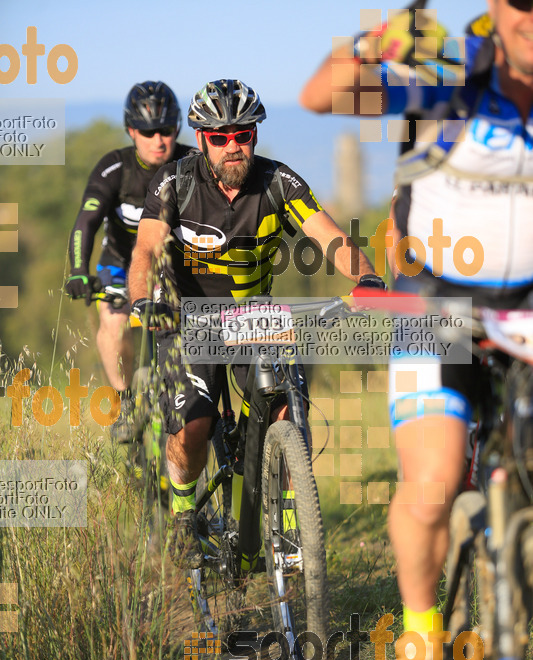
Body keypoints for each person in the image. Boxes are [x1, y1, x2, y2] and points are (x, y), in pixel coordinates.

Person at [301, 1, 533, 660]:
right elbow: (322, 93)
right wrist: (376, 39)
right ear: (497, 8)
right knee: (431, 479)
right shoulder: (449, 72)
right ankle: (420, 642)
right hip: (436, 309)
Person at [128, 78, 381, 567]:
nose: (232, 146)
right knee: (194, 425)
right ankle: (184, 515)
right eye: (219, 137)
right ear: (202, 139)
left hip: (254, 319)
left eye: (241, 134)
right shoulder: (175, 183)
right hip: (187, 322)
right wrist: (144, 299)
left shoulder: (277, 181)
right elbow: (146, 250)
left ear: (255, 136)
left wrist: (366, 277)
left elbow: (329, 237)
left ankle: (286, 532)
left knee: (289, 414)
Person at [66, 81, 193, 441]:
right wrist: (79, 271)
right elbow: (86, 221)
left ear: (177, 128)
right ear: (131, 131)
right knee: (114, 323)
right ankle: (126, 401)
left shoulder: (191, 164)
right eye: (149, 131)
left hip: (175, 268)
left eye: (166, 130)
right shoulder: (115, 168)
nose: (158, 140)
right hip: (118, 264)